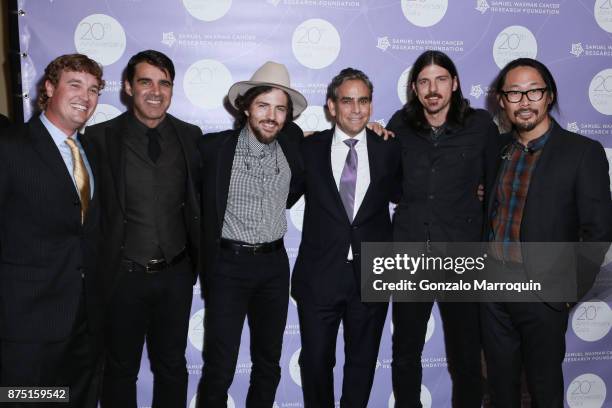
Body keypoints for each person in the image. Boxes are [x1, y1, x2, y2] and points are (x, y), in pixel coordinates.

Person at [482, 58, 612, 407]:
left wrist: (566, 291)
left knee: (543, 390)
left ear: (549, 96)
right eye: (514, 93)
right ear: (501, 101)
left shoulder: (582, 152)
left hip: (543, 293)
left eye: (533, 91)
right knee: (500, 389)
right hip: (493, 292)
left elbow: (598, 232)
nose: (524, 101)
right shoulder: (498, 150)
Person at [83, 50, 202, 408]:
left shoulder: (191, 136)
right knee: (119, 370)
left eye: (164, 83)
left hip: (176, 275)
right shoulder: (99, 138)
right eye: (145, 81)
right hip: (122, 276)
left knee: (173, 367)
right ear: (127, 87)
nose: (155, 91)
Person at [386, 50, 500, 408]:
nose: (432, 88)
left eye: (440, 79)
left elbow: (497, 183)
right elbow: (390, 185)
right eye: (424, 81)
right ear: (415, 88)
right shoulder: (399, 125)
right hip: (410, 252)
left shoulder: (481, 125)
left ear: (454, 83)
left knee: (467, 356)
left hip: (461, 255)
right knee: (405, 352)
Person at [197, 61, 306, 408]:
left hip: (274, 267)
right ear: (245, 106)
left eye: (280, 108)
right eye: (263, 105)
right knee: (220, 366)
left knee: (268, 363)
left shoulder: (293, 141)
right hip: (228, 265)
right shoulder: (214, 149)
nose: (271, 116)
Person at [291, 68, 401, 407]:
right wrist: (292, 137)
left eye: (363, 101)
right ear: (331, 106)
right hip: (320, 275)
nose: (356, 109)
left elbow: (407, 194)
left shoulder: (389, 147)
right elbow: (286, 196)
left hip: (372, 275)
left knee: (362, 363)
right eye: (347, 101)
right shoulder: (309, 149)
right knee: (316, 363)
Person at [0, 53, 104, 407]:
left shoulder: (89, 151)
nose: (85, 97)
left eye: (93, 90)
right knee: (27, 402)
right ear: (48, 88)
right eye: (74, 85)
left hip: (85, 322)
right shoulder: (10, 147)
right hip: (26, 324)